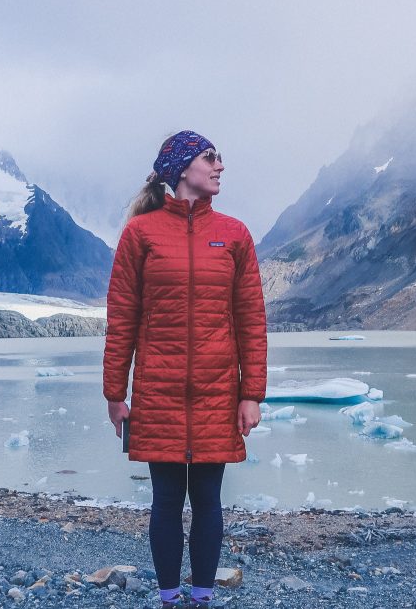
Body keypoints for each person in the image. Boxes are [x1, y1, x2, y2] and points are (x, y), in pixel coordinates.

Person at [103, 130, 267, 608]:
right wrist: (116, 393)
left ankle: (202, 596)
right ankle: (169, 596)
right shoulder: (141, 234)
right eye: (209, 157)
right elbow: (122, 318)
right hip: (159, 391)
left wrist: (251, 393)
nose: (219, 165)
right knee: (167, 502)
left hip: (218, 390)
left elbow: (251, 320)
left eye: (219, 158)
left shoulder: (235, 234)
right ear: (180, 169)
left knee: (210, 501)